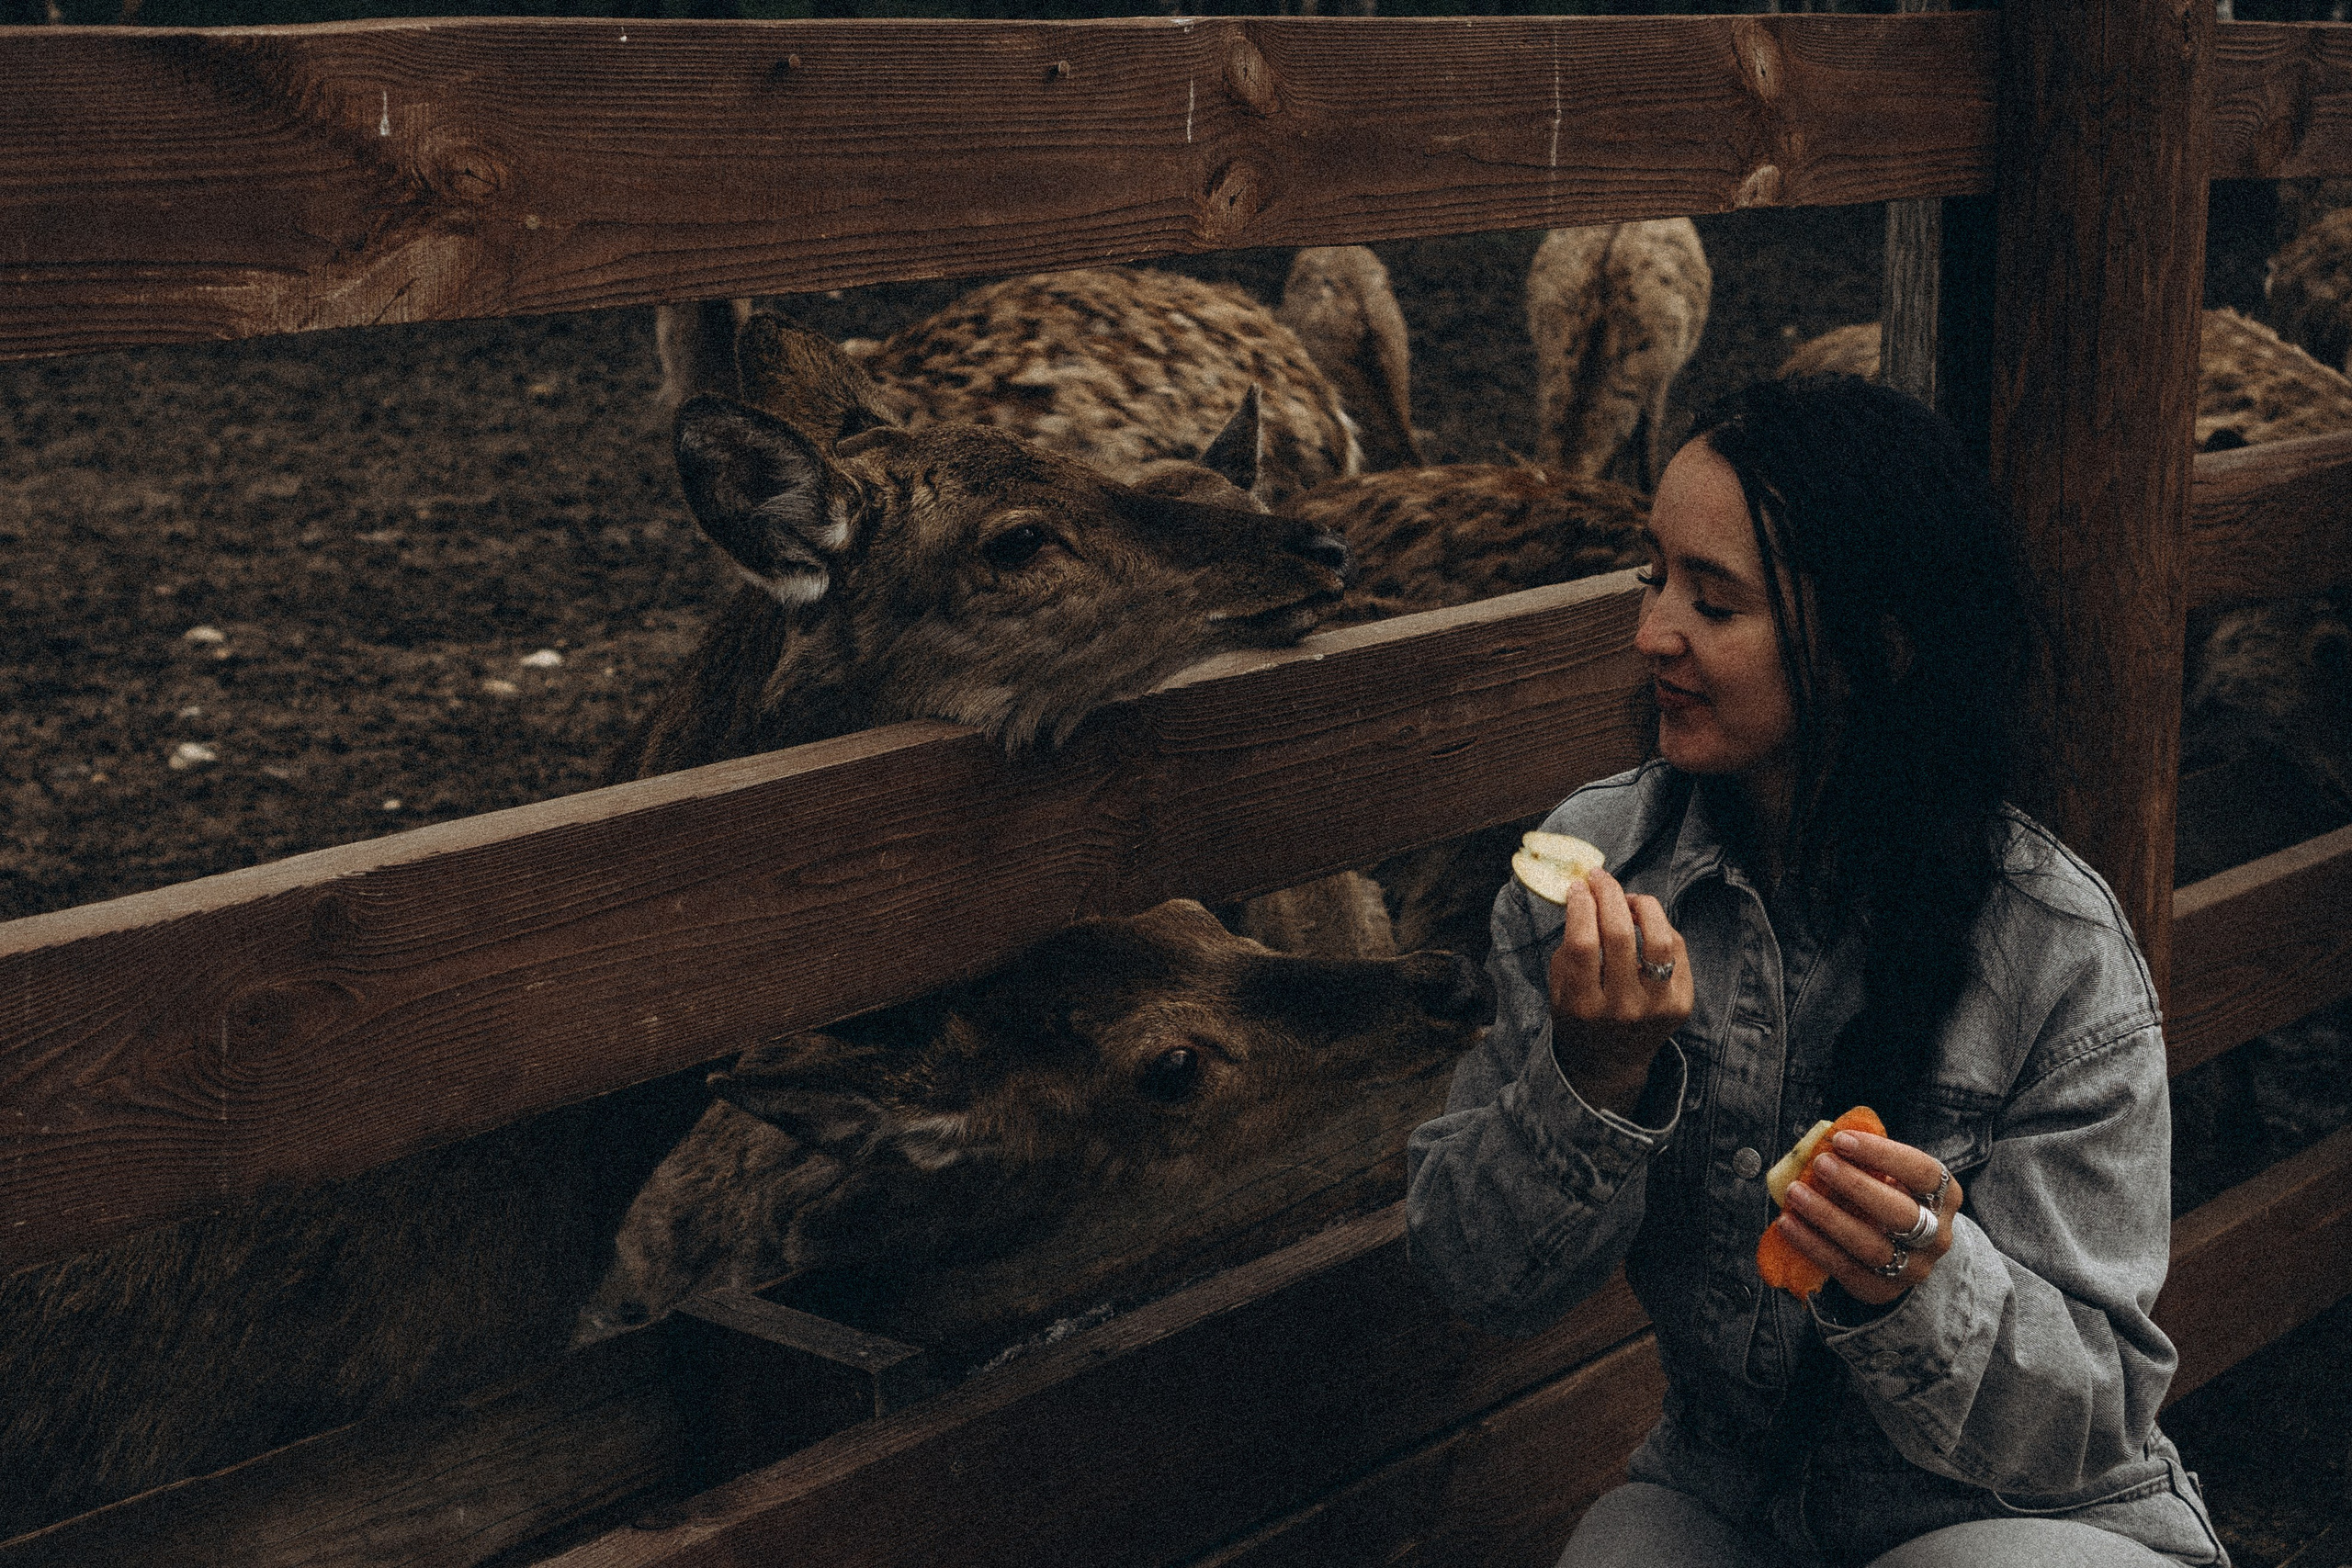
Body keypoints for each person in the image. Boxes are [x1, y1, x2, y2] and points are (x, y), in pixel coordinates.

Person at [1405, 377, 2228, 1567]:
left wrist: (1918, 1284)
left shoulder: (2052, 943)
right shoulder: (1596, 872)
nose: (1650, 634)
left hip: (2010, 1514)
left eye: (1715, 600)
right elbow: (1475, 1276)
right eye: (1655, 577)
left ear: (1874, 645)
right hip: (1734, 1493)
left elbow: (2088, 1421)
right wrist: (1586, 1081)